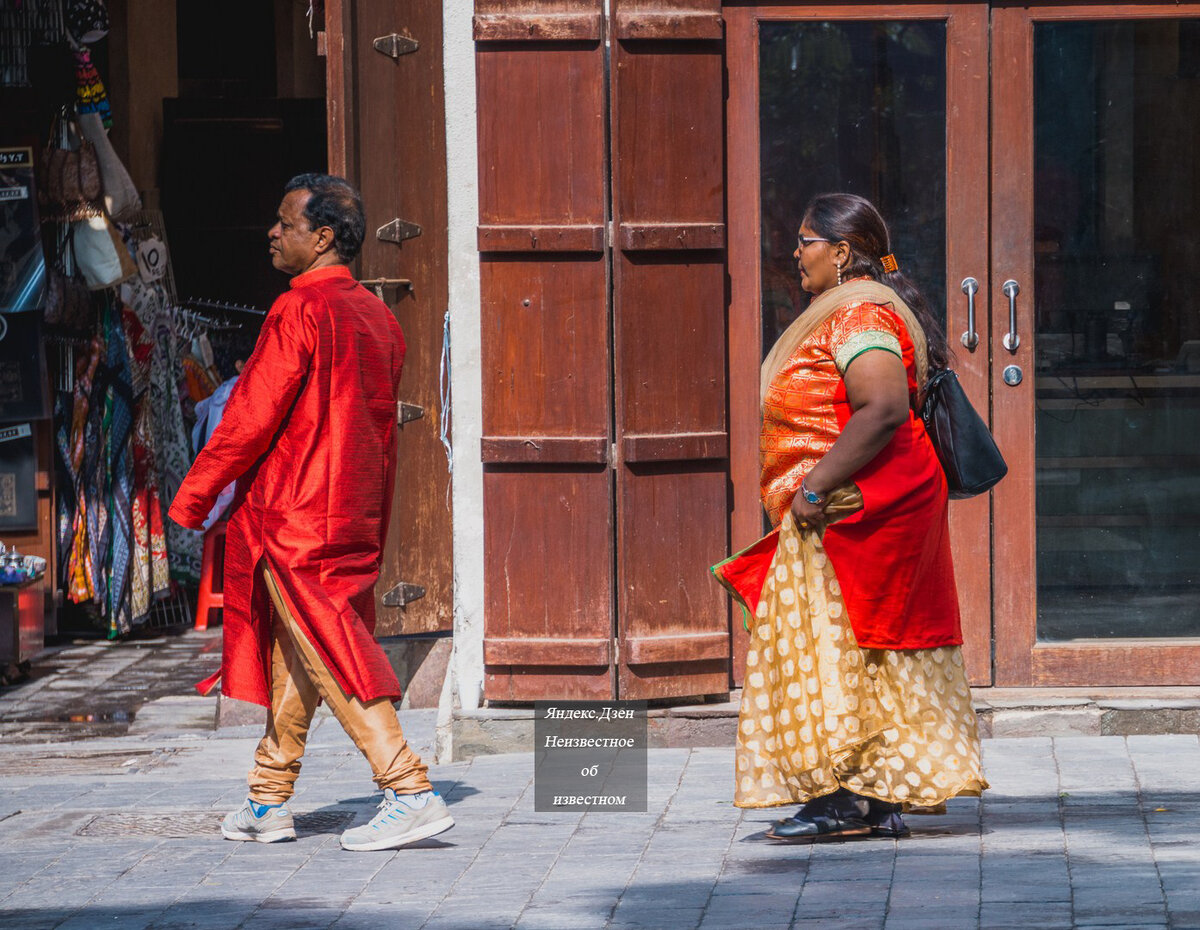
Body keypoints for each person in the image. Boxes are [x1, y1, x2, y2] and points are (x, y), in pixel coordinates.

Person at [168, 173, 454, 851]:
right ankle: (268, 799)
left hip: (297, 509)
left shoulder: (298, 310)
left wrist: (195, 494)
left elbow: (248, 419)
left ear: (323, 238)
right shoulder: (379, 317)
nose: (272, 232)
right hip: (353, 507)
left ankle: (408, 786)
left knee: (329, 647)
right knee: (303, 651)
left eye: (285, 223)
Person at [727, 192, 987, 841]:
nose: (795, 252)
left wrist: (814, 489)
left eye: (806, 240)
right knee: (858, 649)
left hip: (864, 506)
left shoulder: (861, 313)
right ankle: (869, 796)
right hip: (862, 502)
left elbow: (881, 408)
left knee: (848, 646)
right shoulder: (851, 309)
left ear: (842, 252)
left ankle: (849, 797)